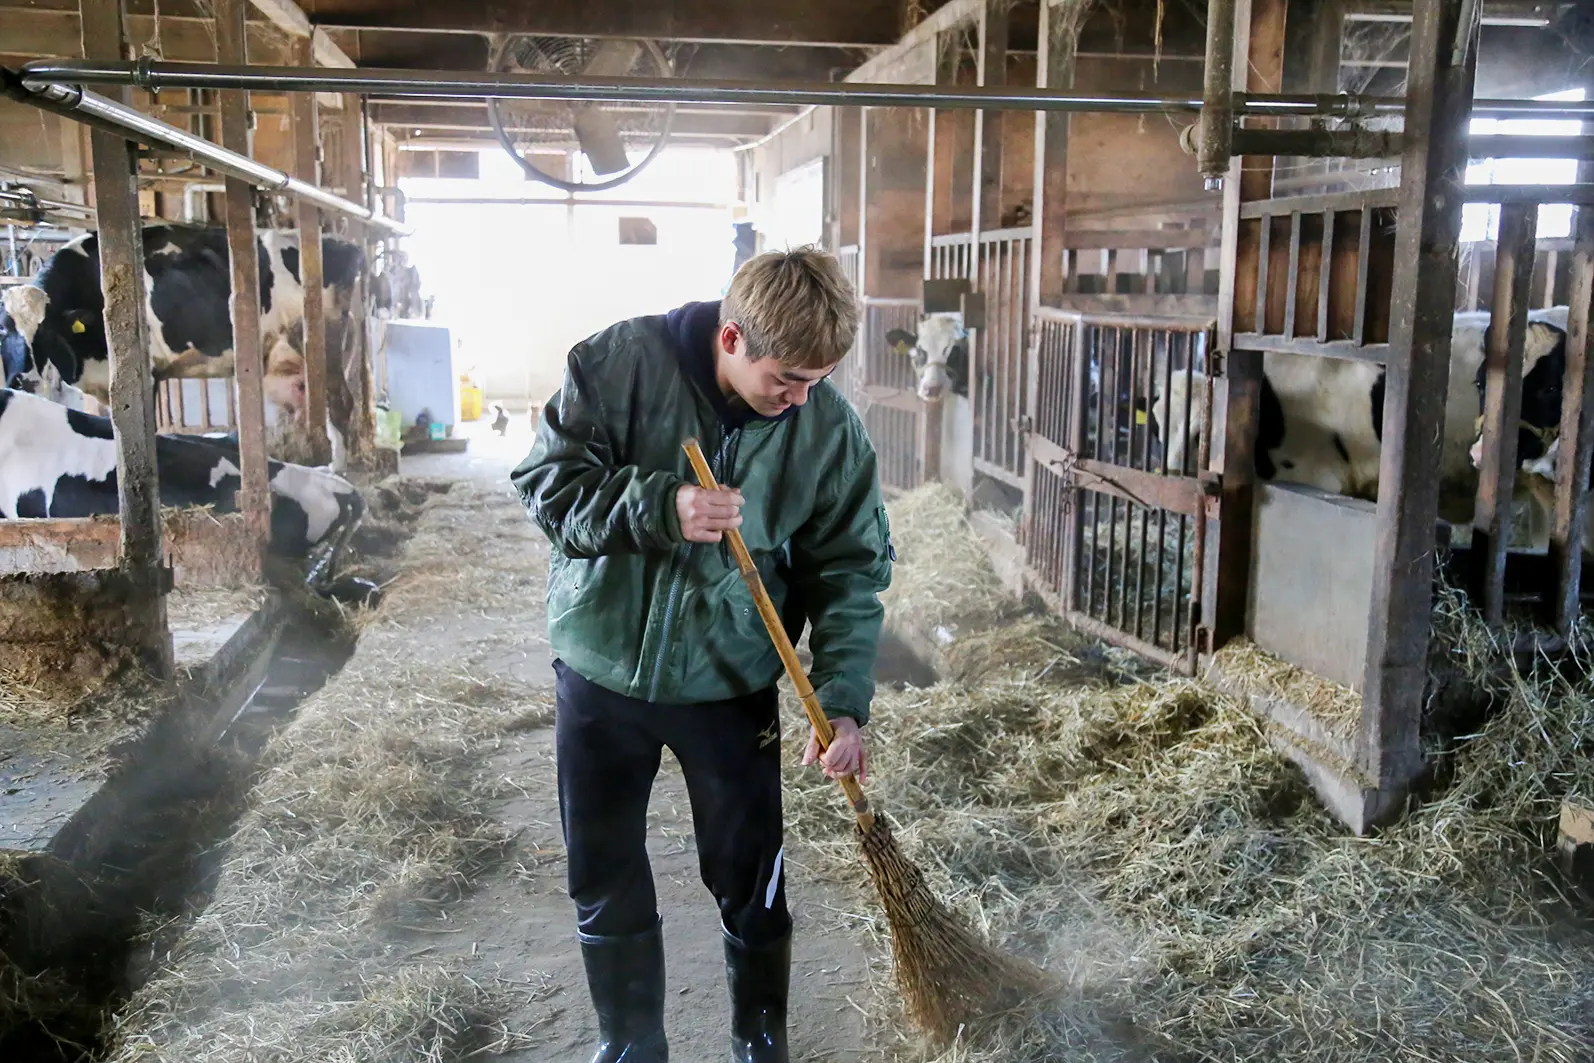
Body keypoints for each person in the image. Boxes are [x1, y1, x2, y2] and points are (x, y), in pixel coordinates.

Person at [510, 247, 894, 1063]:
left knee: (750, 876)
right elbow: (545, 481)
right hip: (603, 668)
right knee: (604, 867)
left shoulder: (826, 431)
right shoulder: (617, 364)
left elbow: (851, 569)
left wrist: (845, 698)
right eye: (787, 378)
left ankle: (760, 1039)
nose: (800, 399)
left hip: (730, 679)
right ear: (731, 337)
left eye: (819, 379)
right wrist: (660, 504)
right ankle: (629, 1043)